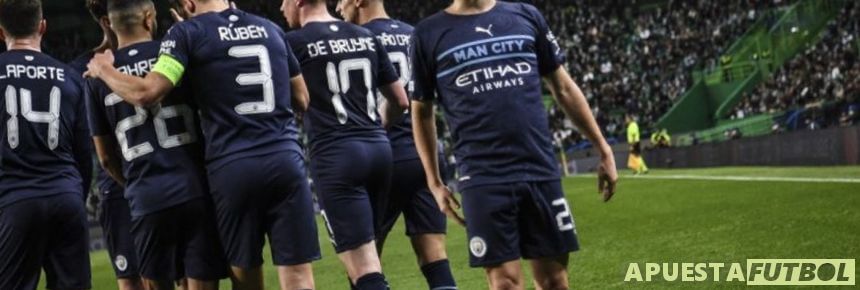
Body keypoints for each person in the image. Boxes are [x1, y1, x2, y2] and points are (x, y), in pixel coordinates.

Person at [84, 0, 320, 289]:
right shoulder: (269, 28)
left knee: (247, 281)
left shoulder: (186, 35)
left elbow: (149, 92)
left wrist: (104, 69)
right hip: (285, 159)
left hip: (230, 167)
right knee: (298, 276)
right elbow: (303, 99)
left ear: (188, 3)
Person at [409, 0, 618, 289]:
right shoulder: (427, 34)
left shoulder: (525, 16)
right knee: (504, 283)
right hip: (482, 178)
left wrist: (603, 148)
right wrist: (433, 181)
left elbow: (564, 88)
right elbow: (421, 112)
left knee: (555, 281)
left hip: (539, 168)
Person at [86, 0, 231, 289]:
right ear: (149, 17)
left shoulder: (99, 76)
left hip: (146, 196)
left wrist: (132, 183)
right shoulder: (178, 53)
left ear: (110, 25)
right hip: (194, 188)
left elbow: (104, 158)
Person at [281, 0, 409, 289]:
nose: (281, 8)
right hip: (378, 150)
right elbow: (401, 100)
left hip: (336, 155)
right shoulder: (365, 35)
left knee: (364, 267)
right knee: (367, 258)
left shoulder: (293, 43)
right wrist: (378, 127)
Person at [336, 0, 458, 289]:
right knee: (434, 255)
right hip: (423, 157)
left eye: (341, 0)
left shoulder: (353, 39)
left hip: (380, 156)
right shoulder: (414, 33)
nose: (339, 8)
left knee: (364, 265)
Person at [0, 0, 93, 289]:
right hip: (66, 196)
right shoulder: (71, 78)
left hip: (15, 201)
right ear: (43, 27)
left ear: (1, 32)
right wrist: (76, 194)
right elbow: (84, 154)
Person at [69, 1, 143, 288]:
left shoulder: (160, 50)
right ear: (105, 20)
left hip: (143, 181)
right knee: (132, 280)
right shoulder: (79, 71)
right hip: (119, 186)